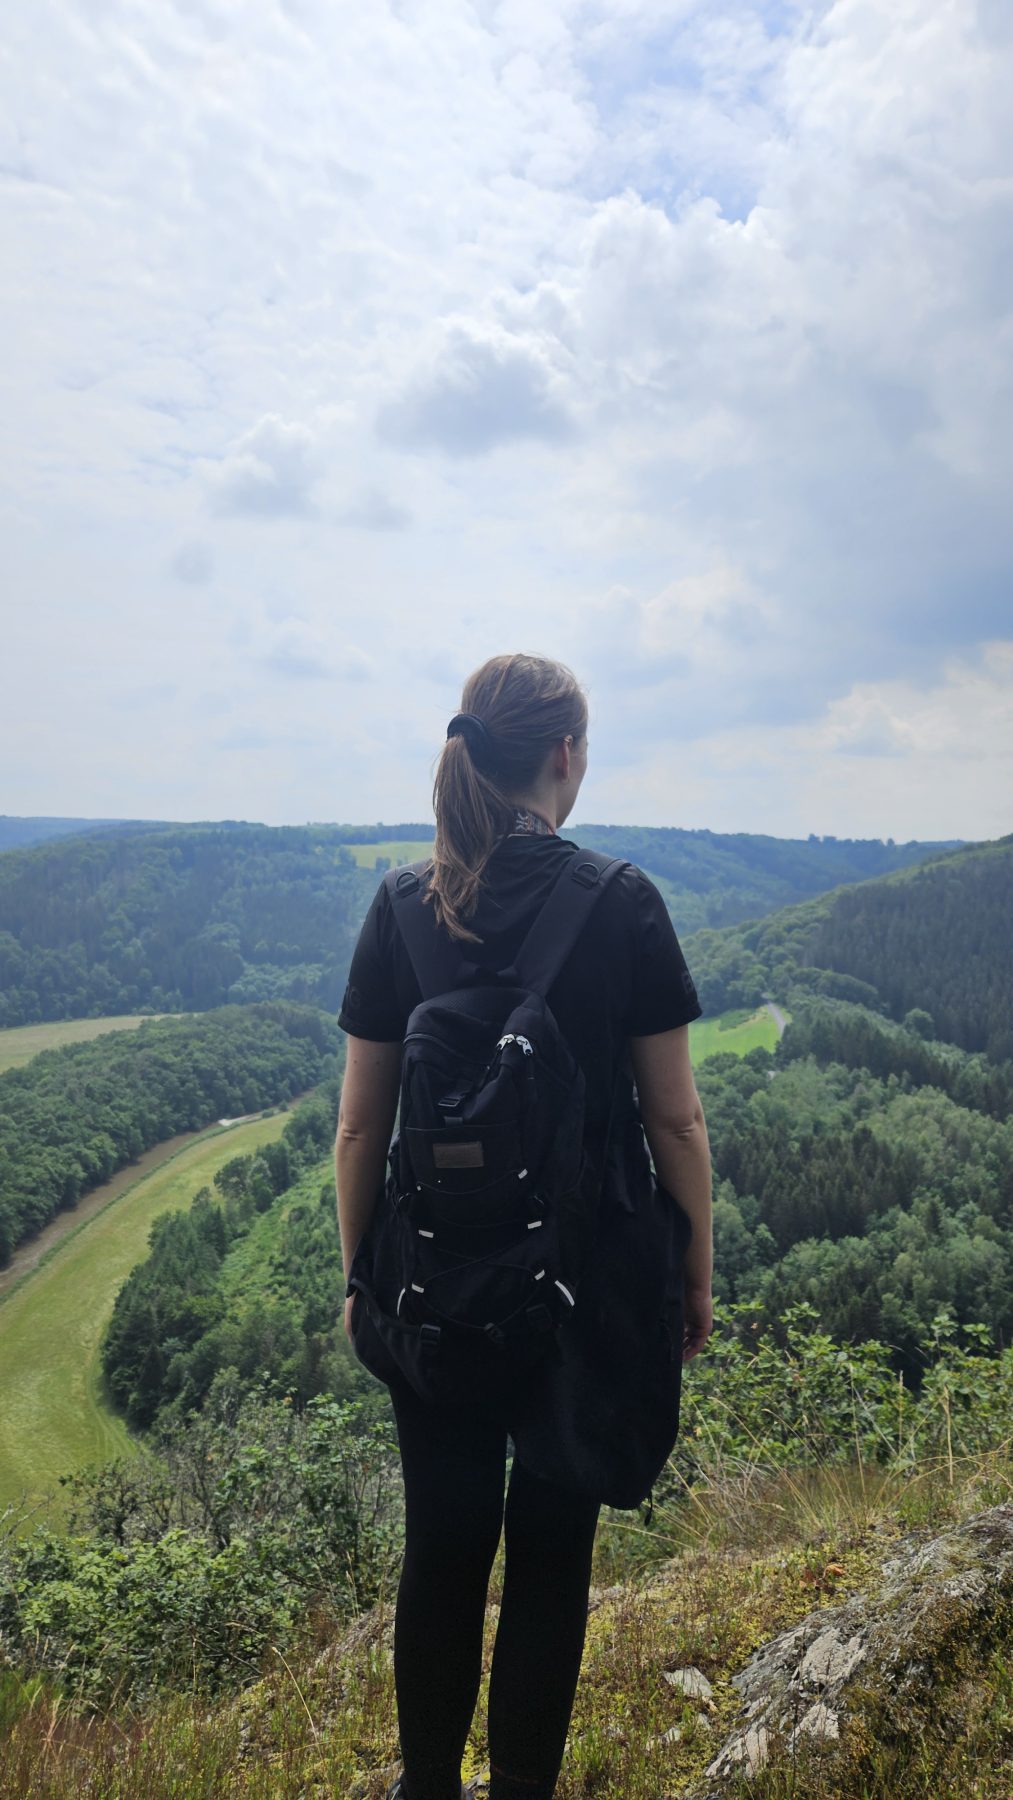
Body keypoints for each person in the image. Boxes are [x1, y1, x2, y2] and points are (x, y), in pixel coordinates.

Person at [335, 652, 713, 1800]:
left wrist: (367, 1280)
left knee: (441, 1548)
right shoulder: (622, 900)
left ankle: (425, 1790)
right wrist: (691, 1274)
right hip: (581, 1291)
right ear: (564, 756)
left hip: (435, 1291)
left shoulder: (402, 905)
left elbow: (359, 1131)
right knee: (551, 1559)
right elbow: (674, 1121)